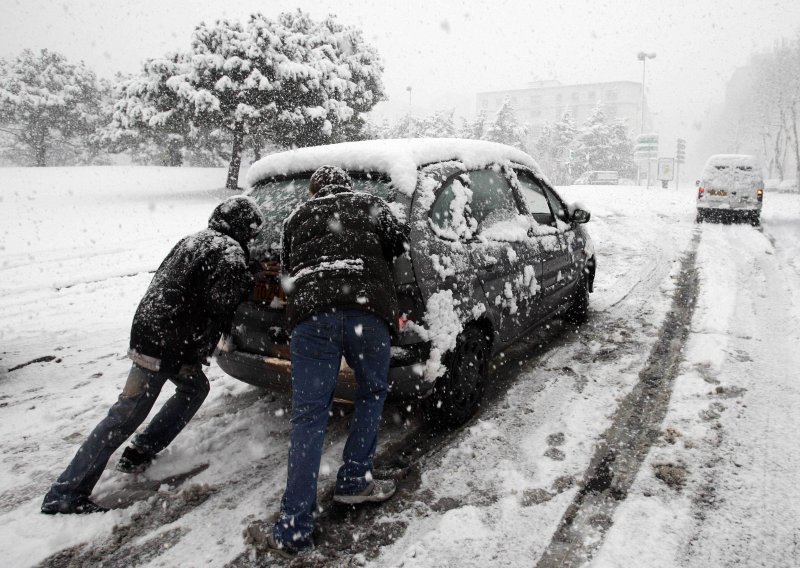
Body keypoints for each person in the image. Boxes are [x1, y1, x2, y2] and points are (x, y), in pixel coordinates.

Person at [41, 196, 264, 515]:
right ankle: (66, 492)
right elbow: (222, 302)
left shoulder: (195, 239)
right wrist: (250, 277)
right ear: (246, 227)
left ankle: (141, 451)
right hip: (167, 342)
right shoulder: (228, 251)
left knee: (194, 388)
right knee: (126, 414)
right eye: (254, 231)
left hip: (154, 331)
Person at [267, 166, 409, 557]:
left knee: (309, 416)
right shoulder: (371, 204)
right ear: (347, 187)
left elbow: (288, 270)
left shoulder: (296, 218)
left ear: (313, 193)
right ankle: (353, 481)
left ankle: (294, 525)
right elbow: (401, 246)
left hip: (312, 317)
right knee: (371, 392)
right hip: (367, 309)